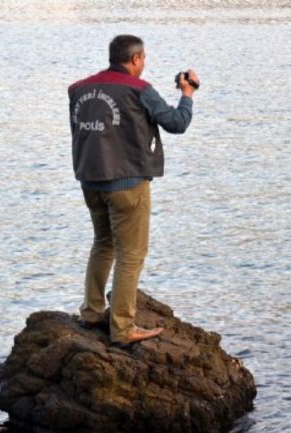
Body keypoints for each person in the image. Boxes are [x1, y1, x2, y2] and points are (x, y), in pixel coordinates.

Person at [69, 34, 200, 345]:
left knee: (103, 244)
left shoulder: (79, 88)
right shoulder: (140, 89)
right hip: (127, 184)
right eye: (144, 59)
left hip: (90, 180)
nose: (144, 64)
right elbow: (177, 123)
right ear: (136, 59)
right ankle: (123, 329)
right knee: (131, 255)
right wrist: (188, 92)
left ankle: (91, 312)